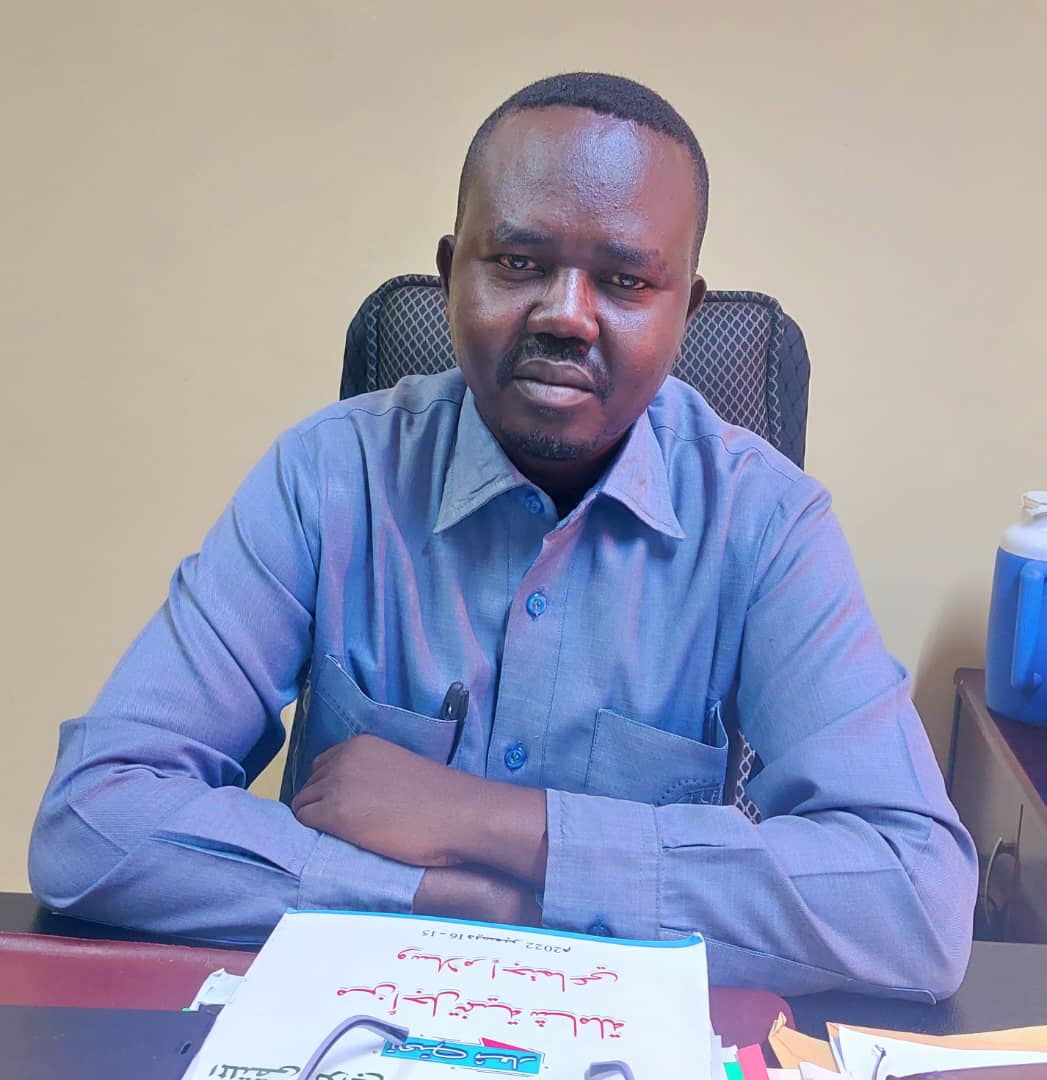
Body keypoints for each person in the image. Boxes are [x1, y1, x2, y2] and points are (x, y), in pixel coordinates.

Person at [29, 72, 977, 998]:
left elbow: (915, 902)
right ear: (452, 275)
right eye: (518, 263)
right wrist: (447, 898)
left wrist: (489, 822)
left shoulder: (766, 524)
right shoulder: (327, 475)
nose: (566, 315)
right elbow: (90, 822)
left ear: (684, 311)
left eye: (626, 279)